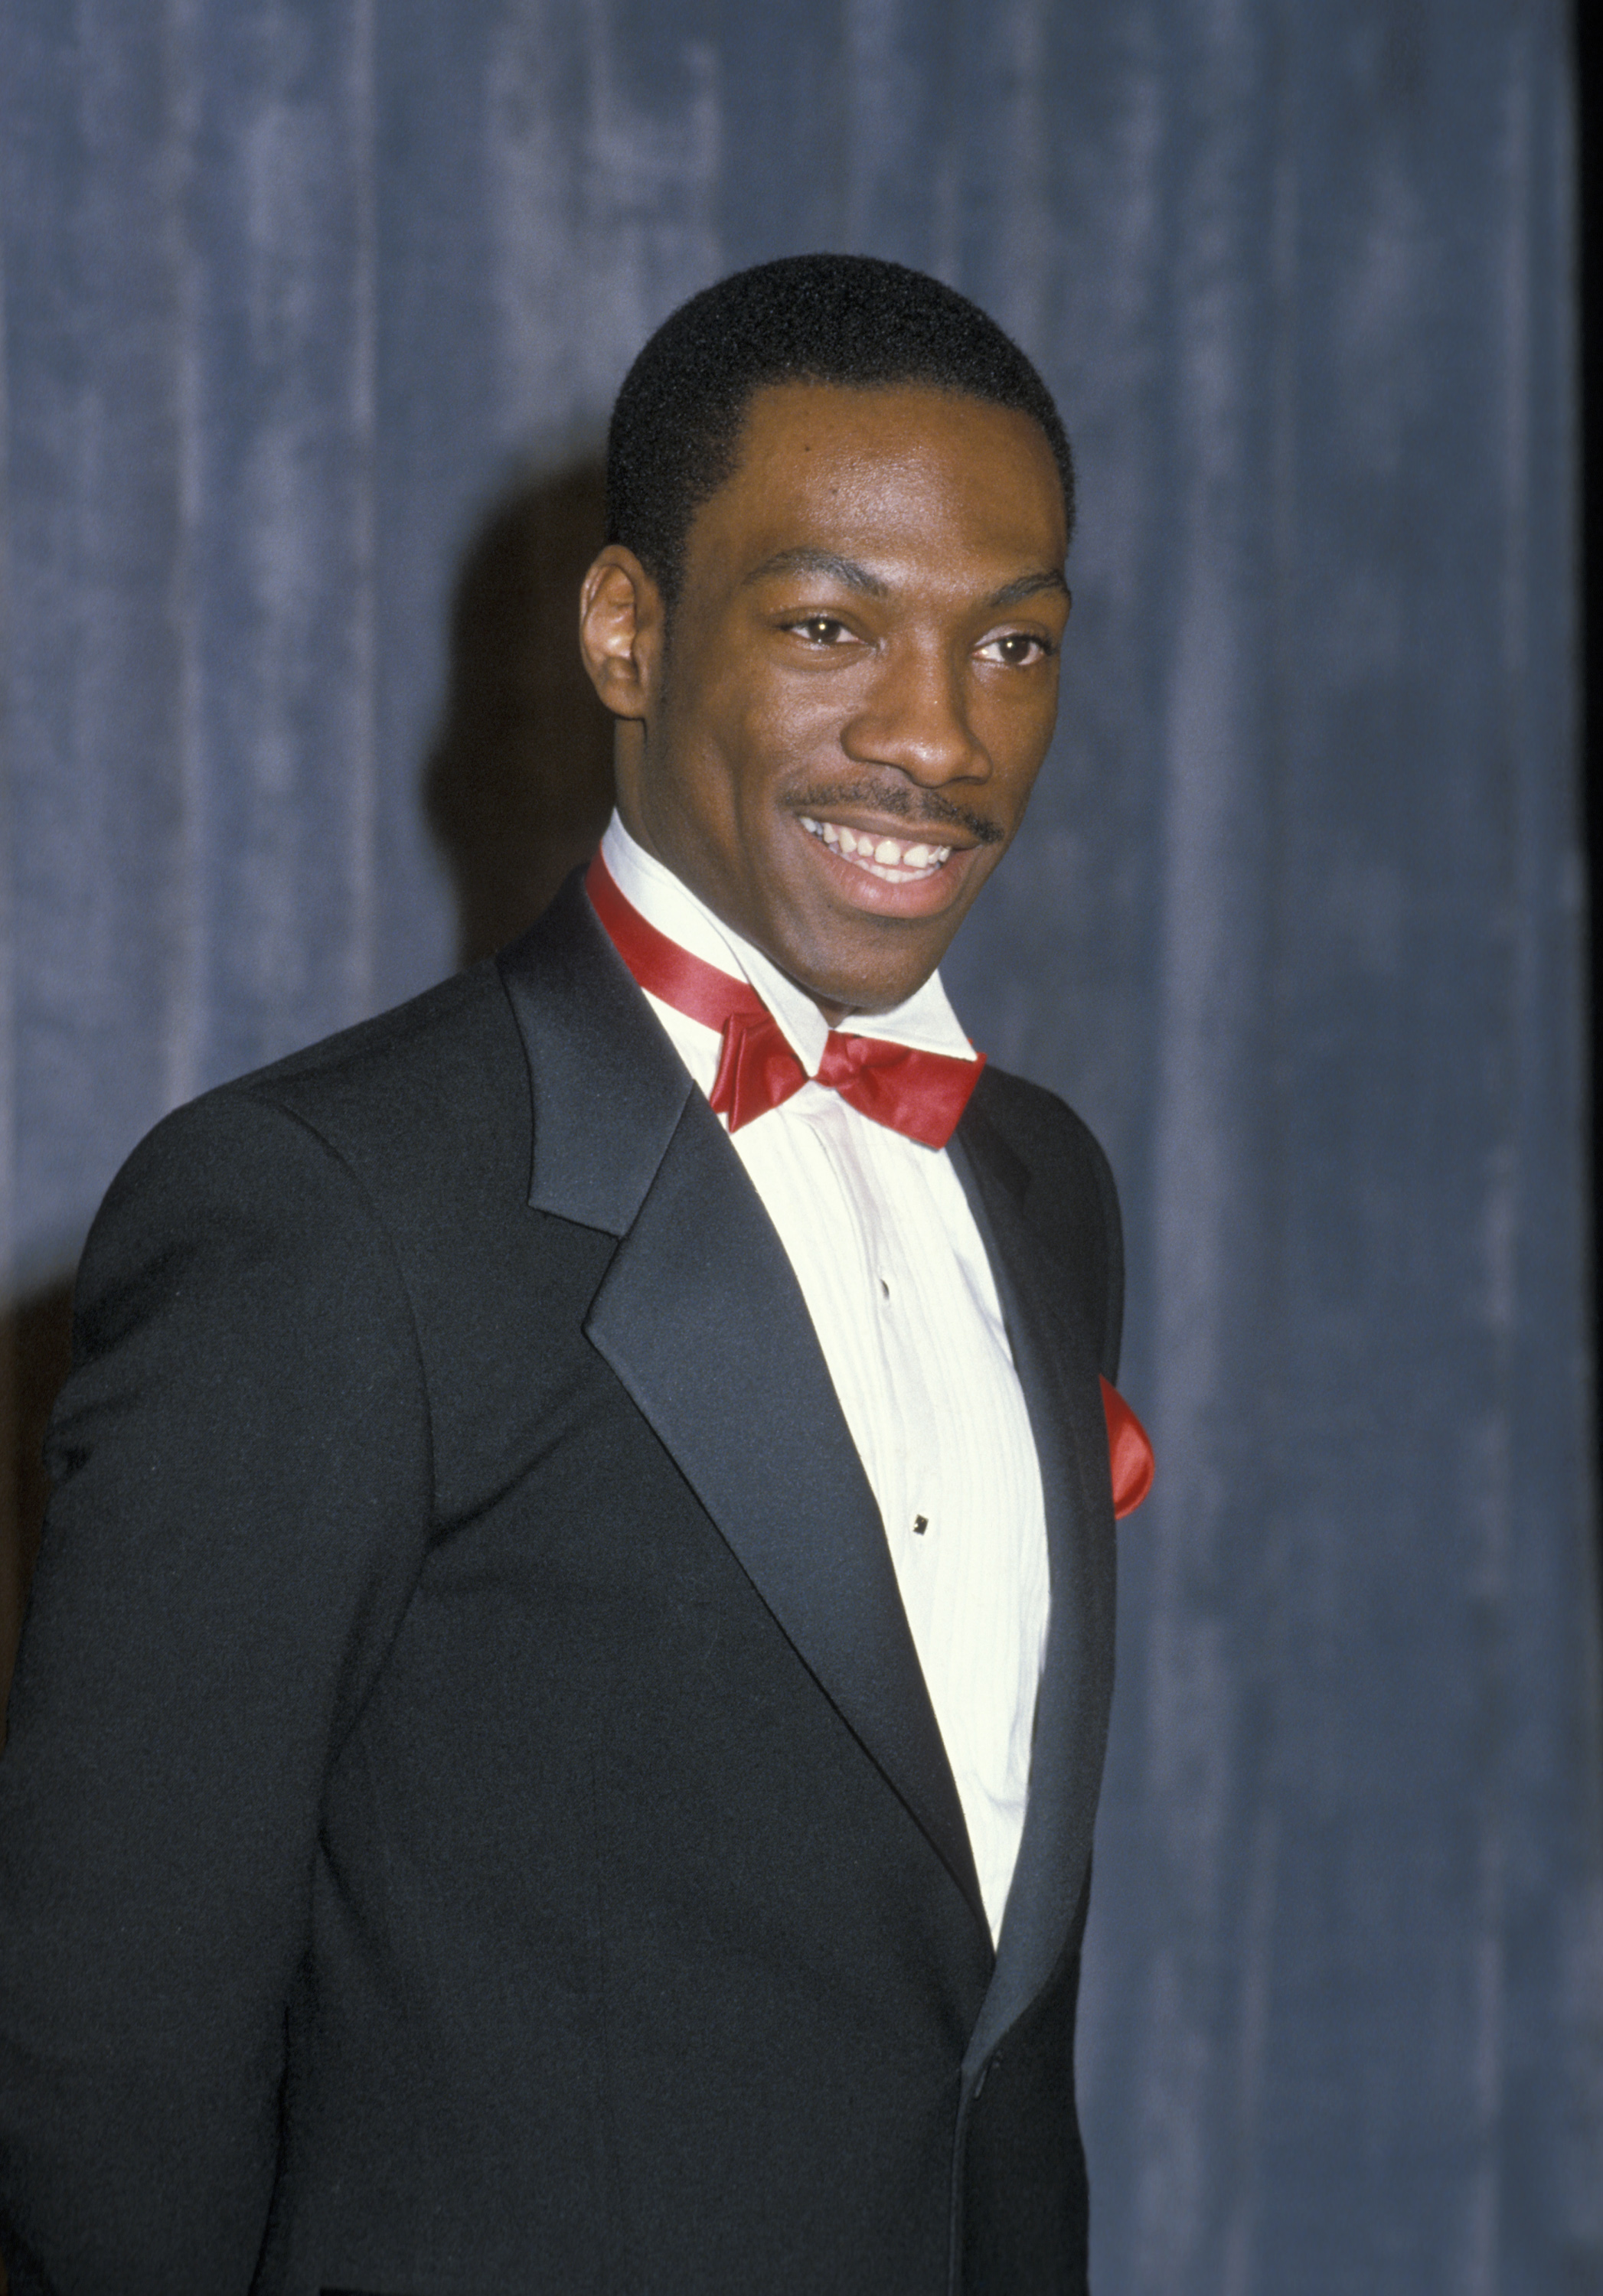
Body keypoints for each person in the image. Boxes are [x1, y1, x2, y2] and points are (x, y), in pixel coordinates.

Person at [0, 254, 1148, 2295]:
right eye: (827, 626)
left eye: (1016, 645)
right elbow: (103, 2063)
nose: (941, 740)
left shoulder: (1043, 1185)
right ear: (629, 632)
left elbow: (977, 2028)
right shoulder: (319, 1211)